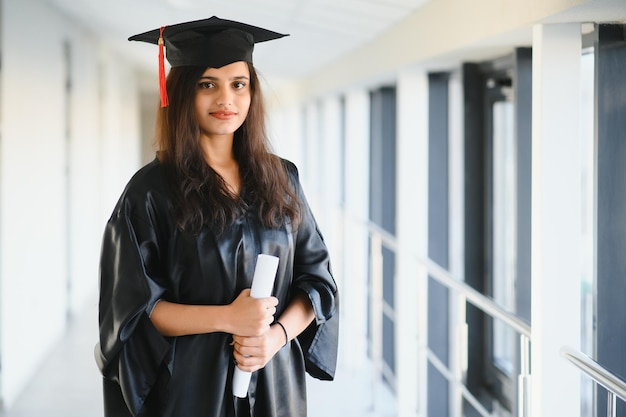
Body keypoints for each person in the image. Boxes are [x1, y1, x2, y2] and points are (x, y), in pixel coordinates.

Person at [95, 16, 339, 417]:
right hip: (190, 389)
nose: (226, 100)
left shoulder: (283, 178)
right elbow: (134, 309)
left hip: (272, 381)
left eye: (238, 84)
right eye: (208, 85)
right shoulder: (150, 191)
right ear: (181, 92)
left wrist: (275, 337)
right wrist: (229, 317)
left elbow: (317, 283)